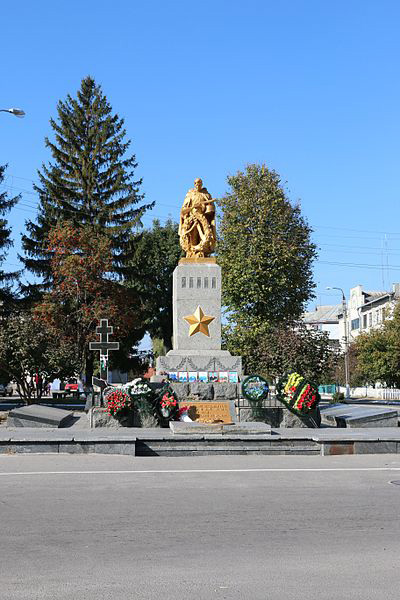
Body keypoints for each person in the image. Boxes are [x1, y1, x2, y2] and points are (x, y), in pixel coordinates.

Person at [179, 178, 216, 258]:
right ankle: (192, 253)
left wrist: (205, 207)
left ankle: (203, 253)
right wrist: (193, 207)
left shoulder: (206, 195)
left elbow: (212, 209)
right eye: (196, 183)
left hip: (204, 219)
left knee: (205, 236)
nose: (197, 184)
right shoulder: (190, 195)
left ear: (202, 184)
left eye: (199, 182)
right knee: (193, 238)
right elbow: (183, 211)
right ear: (194, 184)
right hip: (192, 219)